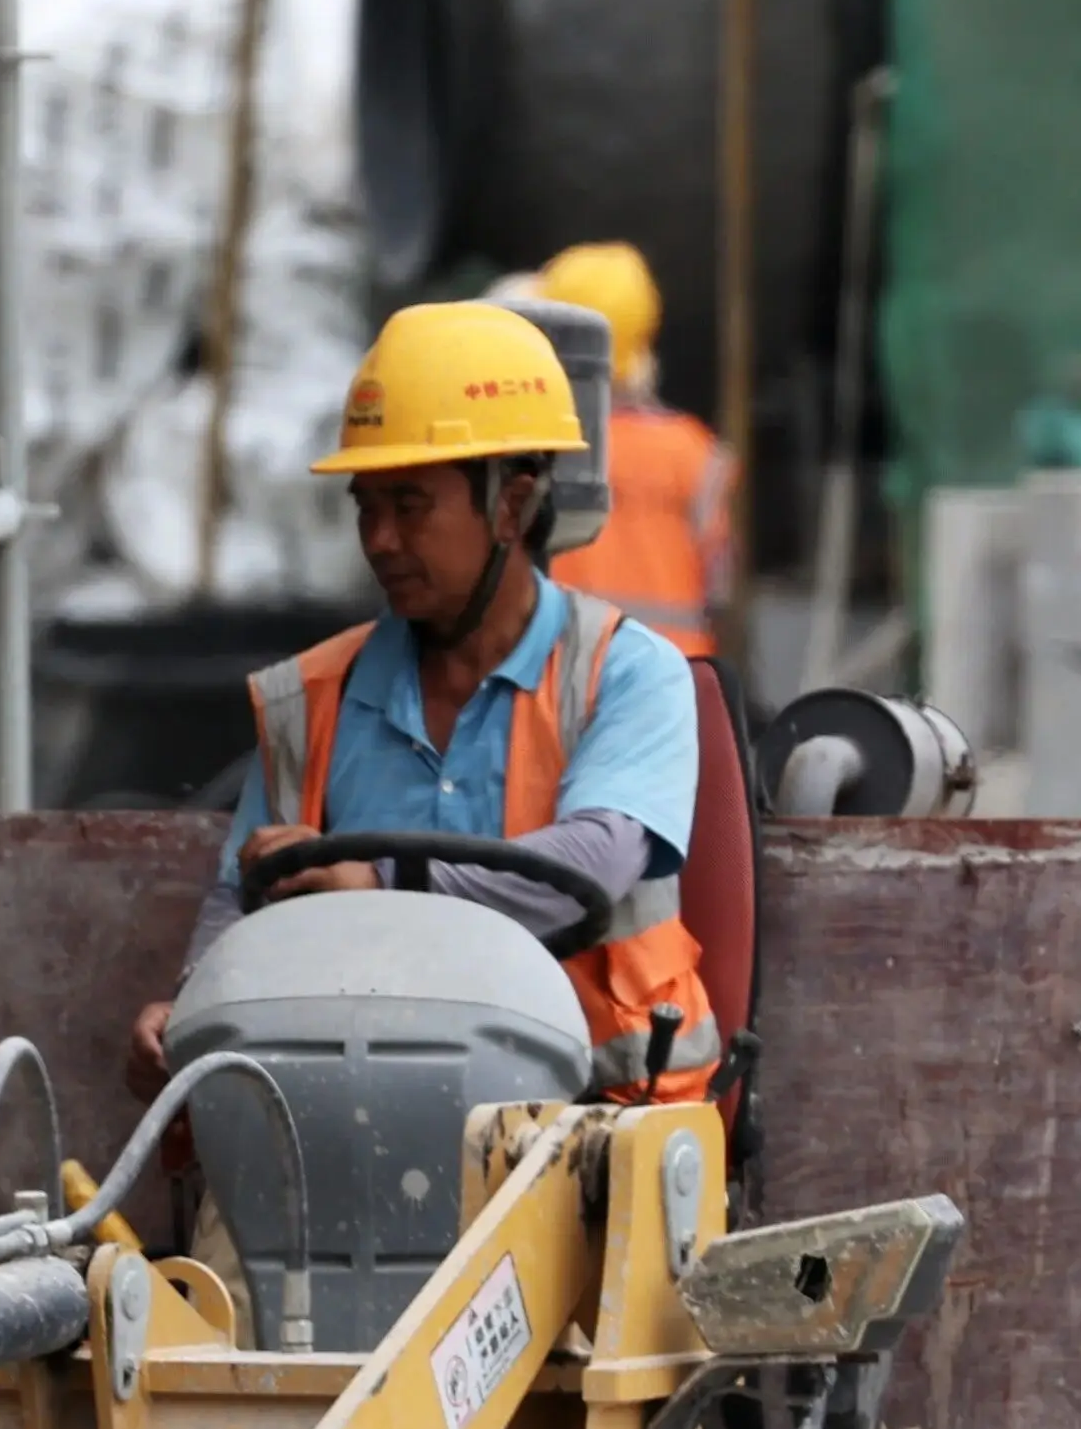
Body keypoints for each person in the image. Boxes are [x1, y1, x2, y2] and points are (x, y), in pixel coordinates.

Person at [138, 297, 723, 1102]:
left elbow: (596, 861)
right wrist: (194, 1002)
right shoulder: (310, 698)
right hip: (364, 1114)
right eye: (367, 507)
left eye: (410, 506)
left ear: (511, 504)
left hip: (596, 1125)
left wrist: (382, 887)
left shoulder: (628, 673)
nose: (380, 539)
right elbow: (243, 895)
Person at [526, 239, 738, 660]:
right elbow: (721, 589)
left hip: (568, 673)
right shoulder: (696, 452)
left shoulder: (541, 443)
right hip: (677, 674)